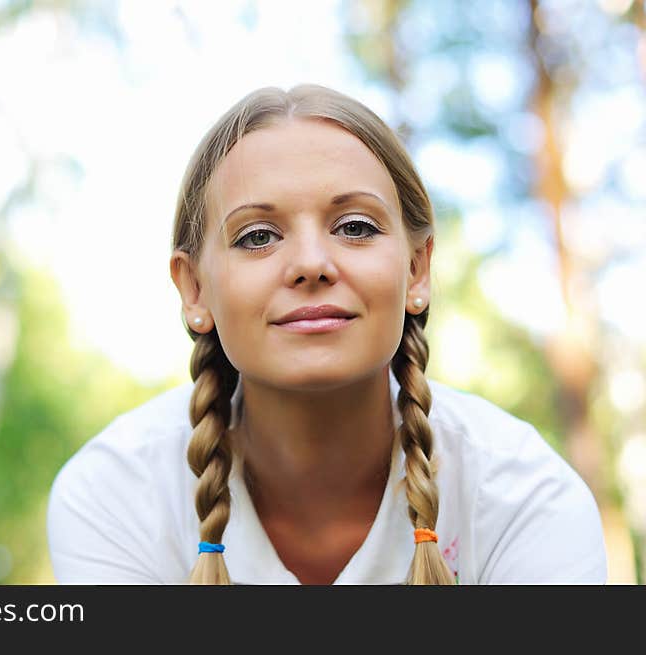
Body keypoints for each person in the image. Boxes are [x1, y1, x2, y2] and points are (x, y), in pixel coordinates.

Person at [46, 83, 607, 585]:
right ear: (194, 290)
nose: (311, 263)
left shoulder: (523, 498)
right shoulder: (115, 494)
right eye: (257, 236)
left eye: (355, 227)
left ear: (417, 270)